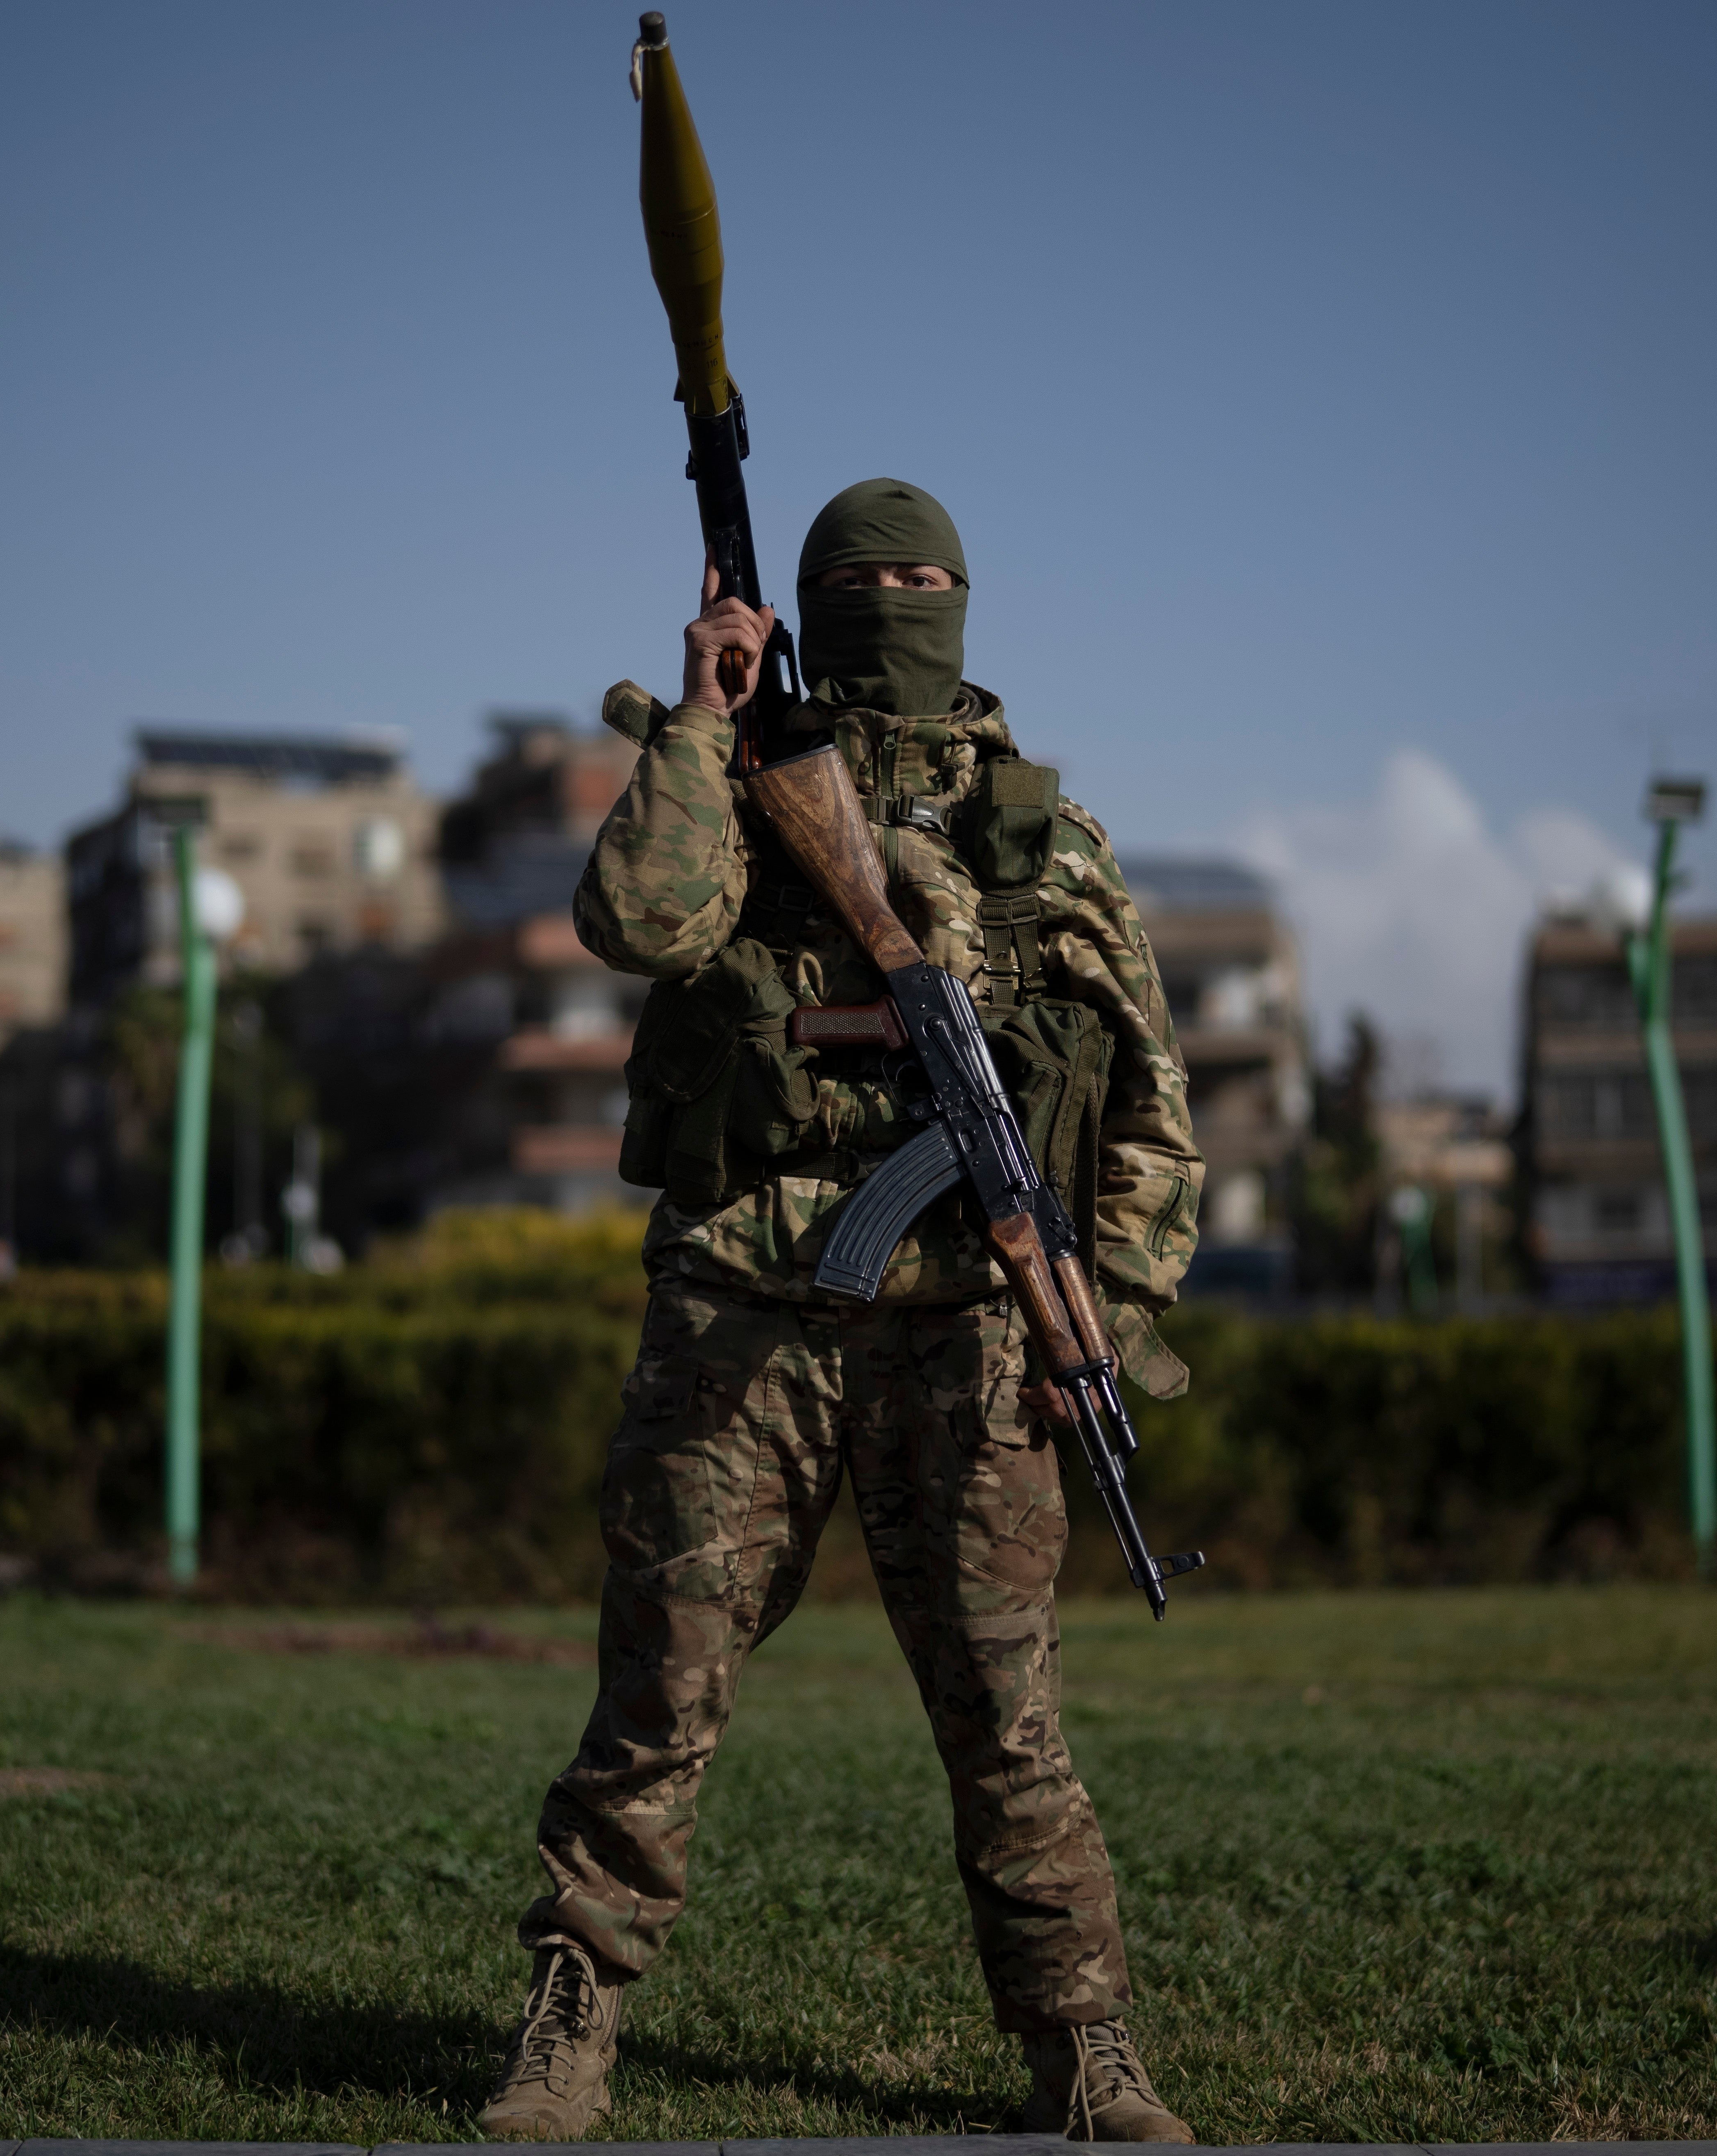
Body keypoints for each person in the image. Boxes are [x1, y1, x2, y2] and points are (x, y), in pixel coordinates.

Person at [478, 479, 1207, 2143]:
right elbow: (638, 920)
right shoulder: (731, 784)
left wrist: (1098, 1312)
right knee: (658, 1690)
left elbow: (1155, 1113)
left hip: (974, 1333)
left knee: (1005, 1715)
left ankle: (1083, 2047)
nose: (901, 599)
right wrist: (695, 717)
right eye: (863, 582)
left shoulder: (1045, 840)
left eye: (927, 575)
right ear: (804, 603)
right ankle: (573, 2017)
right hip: (741, 1310)